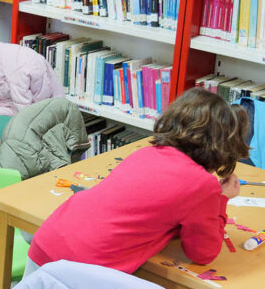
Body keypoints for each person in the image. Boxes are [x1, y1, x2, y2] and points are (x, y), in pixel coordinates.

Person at [28, 87, 250, 274]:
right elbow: (203, 254)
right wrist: (221, 199)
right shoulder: (203, 185)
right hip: (83, 268)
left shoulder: (147, 153)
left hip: (49, 242)